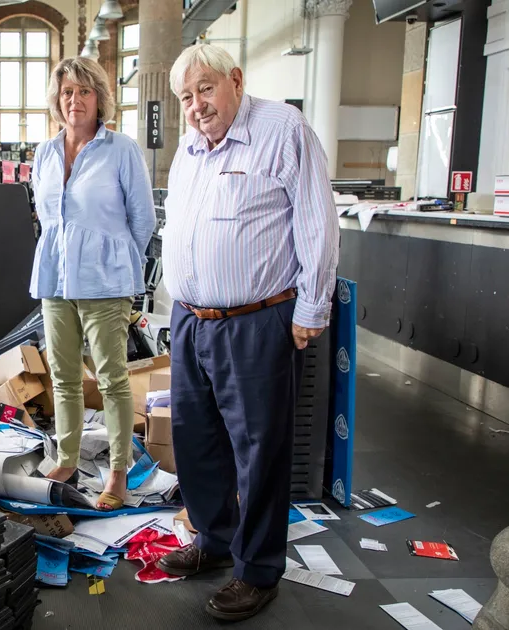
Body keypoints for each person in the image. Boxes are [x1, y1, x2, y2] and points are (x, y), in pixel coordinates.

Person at [154, 43, 339, 620]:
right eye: (185, 97)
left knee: (259, 451)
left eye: (205, 89)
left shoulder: (282, 129)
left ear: (235, 80)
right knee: (197, 440)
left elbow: (317, 221)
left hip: (258, 319)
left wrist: (313, 308)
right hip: (189, 319)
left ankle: (257, 570)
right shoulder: (189, 147)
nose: (196, 106)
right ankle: (212, 541)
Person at [30, 56, 155, 511]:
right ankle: (67, 458)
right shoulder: (44, 153)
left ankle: (118, 472)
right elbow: (47, 218)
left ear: (100, 98)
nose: (75, 100)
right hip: (55, 277)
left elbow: (143, 220)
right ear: (56, 99)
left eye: (84, 91)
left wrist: (118, 263)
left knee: (112, 378)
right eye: (67, 92)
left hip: (106, 280)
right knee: (62, 377)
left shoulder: (121, 149)